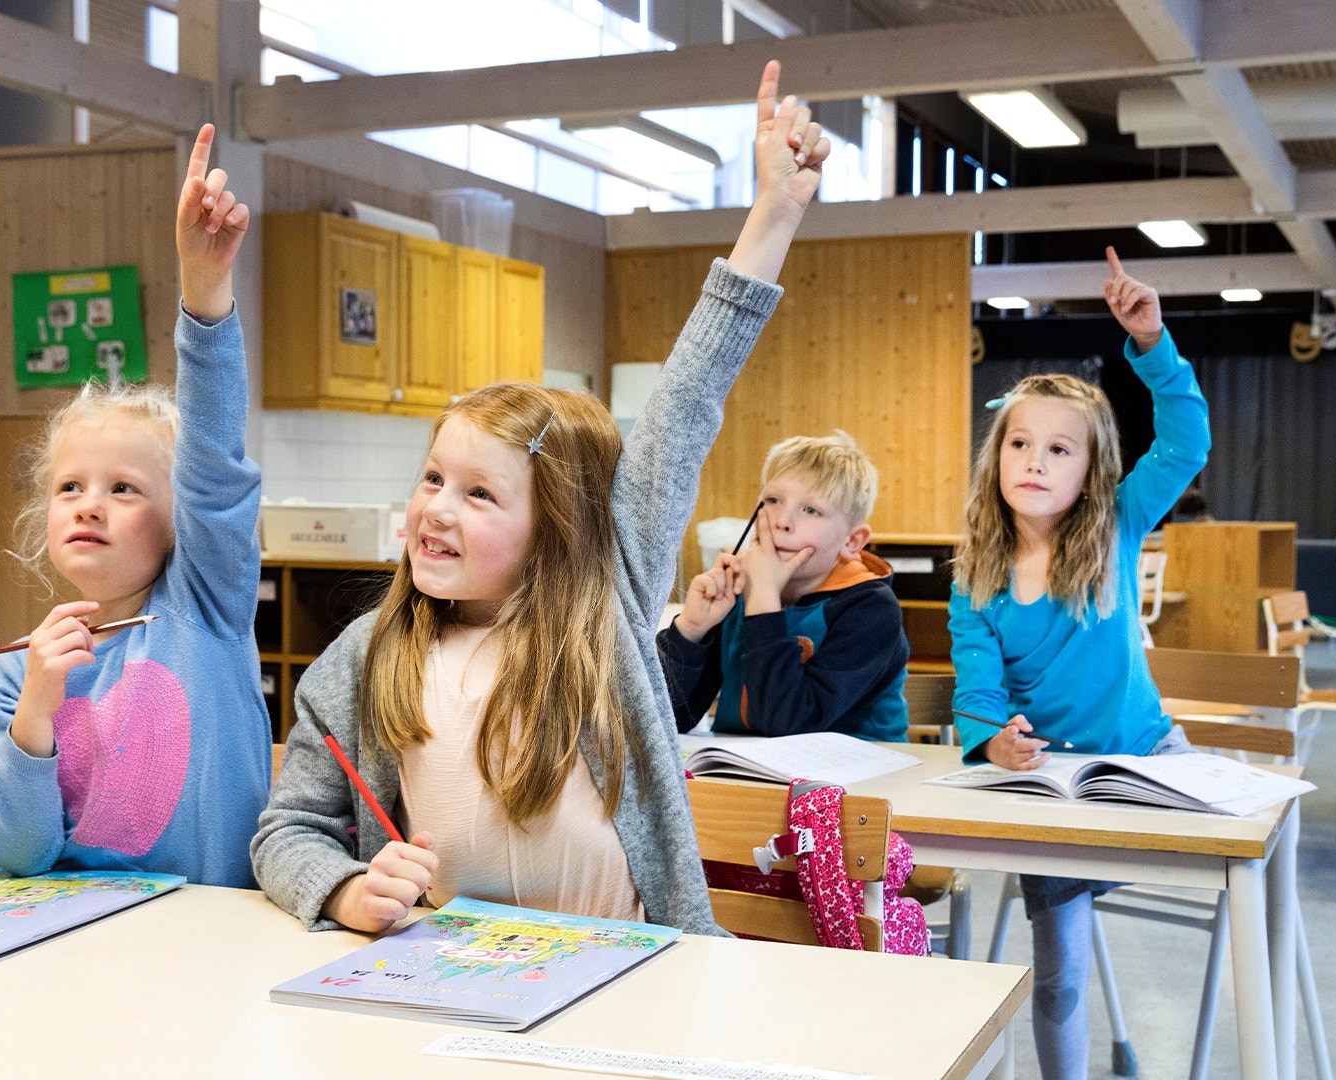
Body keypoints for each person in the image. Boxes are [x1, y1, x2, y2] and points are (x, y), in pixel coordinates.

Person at [251, 61, 829, 935]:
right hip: (446, 980)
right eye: (433, 479)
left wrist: (773, 216)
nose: (436, 508)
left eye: (480, 493)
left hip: (630, 978)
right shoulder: (370, 654)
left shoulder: (604, 608)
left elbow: (687, 399)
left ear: (557, 531)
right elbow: (287, 827)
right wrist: (338, 887)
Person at [0, 124, 270, 888]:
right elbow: (15, 854)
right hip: (86, 955)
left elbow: (212, 456)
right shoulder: (18, 671)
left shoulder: (206, 600)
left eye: (124, 489)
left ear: (183, 520)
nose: (89, 506)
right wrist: (35, 709)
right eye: (69, 488)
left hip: (210, 943)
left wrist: (203, 288)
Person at [948, 248, 1210, 1080]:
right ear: (996, 459)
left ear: (1092, 470)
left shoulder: (1120, 524)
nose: (1034, 459)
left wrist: (1153, 344)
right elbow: (978, 689)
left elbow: (1187, 442)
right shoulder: (977, 578)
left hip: (1149, 760)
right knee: (1059, 978)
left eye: (1060, 450)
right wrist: (992, 742)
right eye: (1019, 443)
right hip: (1057, 785)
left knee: (1248, 861)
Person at [656, 430, 909, 741]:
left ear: (852, 541)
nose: (782, 521)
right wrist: (692, 629)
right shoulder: (738, 591)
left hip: (855, 780)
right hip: (748, 775)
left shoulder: (871, 608)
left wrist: (763, 598)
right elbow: (662, 718)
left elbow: (791, 725)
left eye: (811, 510)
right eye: (773, 500)